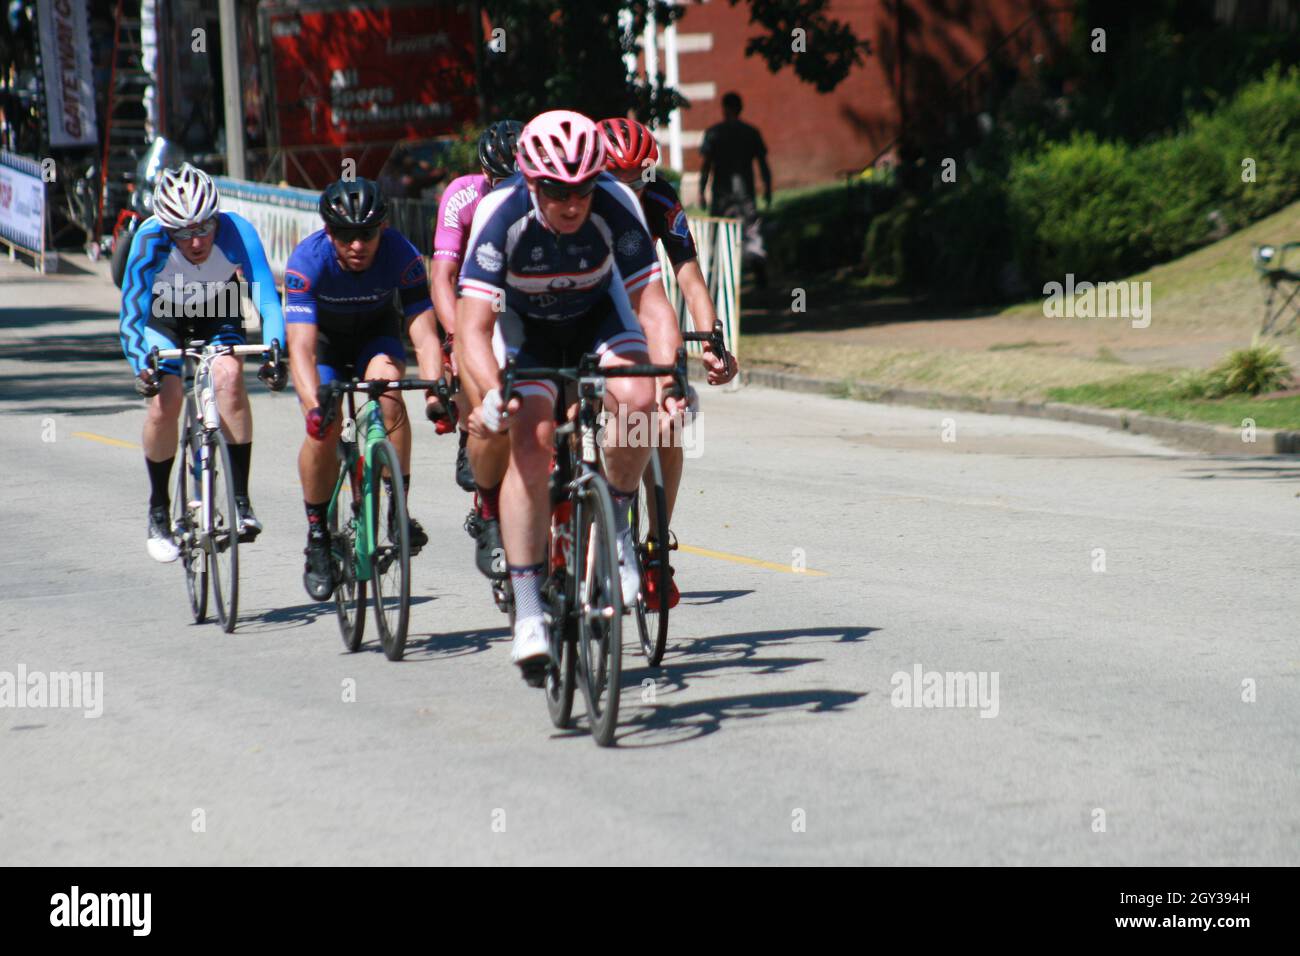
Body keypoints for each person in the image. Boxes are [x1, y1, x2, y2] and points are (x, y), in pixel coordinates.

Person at [455, 110, 684, 675]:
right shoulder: (499, 214)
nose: (573, 203)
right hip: (526, 330)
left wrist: (670, 377)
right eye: (558, 191)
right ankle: (529, 610)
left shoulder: (615, 204)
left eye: (582, 189)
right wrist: (490, 394)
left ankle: (619, 528)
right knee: (530, 444)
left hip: (597, 318)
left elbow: (653, 307)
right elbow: (471, 328)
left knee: (637, 403)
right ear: (531, 182)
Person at [597, 116, 738, 610]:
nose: (631, 190)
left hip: (644, 311)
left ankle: (657, 550)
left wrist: (713, 342)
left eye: (640, 178)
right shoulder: (578, 202)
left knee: (667, 421)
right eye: (619, 180)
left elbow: (690, 278)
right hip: (584, 314)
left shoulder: (659, 200)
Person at [284, 177, 446, 601]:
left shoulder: (402, 254)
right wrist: (312, 406)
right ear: (328, 233)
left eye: (367, 234)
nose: (357, 245)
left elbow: (426, 334)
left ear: (384, 228)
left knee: (389, 394)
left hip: (376, 336)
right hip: (325, 347)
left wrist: (435, 392)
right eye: (346, 235)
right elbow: (299, 348)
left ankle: (398, 509)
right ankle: (318, 536)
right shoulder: (307, 261)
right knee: (325, 427)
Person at [118, 163, 287, 562]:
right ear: (167, 228)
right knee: (166, 399)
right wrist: (142, 365)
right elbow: (130, 316)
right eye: (183, 232)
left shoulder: (236, 230)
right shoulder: (149, 239)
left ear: (215, 217)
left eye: (203, 227)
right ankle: (159, 509)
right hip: (164, 313)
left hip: (219, 307)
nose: (195, 241)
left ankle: (241, 501)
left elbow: (266, 298)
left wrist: (275, 349)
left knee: (229, 376)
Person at [429, 119, 521, 582]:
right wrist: (455, 337)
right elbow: (443, 277)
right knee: (479, 377)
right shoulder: (463, 196)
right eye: (501, 183)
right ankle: (473, 440)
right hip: (474, 298)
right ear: (486, 175)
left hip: (521, 297)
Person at [698, 91, 772, 287]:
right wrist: (768, 187)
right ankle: (758, 271)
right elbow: (763, 163)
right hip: (745, 192)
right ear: (740, 108)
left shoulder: (714, 133)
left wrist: (701, 189)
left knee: (720, 233)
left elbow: (706, 165)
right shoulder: (751, 132)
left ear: (724, 108)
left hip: (721, 193)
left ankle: (722, 280)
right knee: (751, 232)